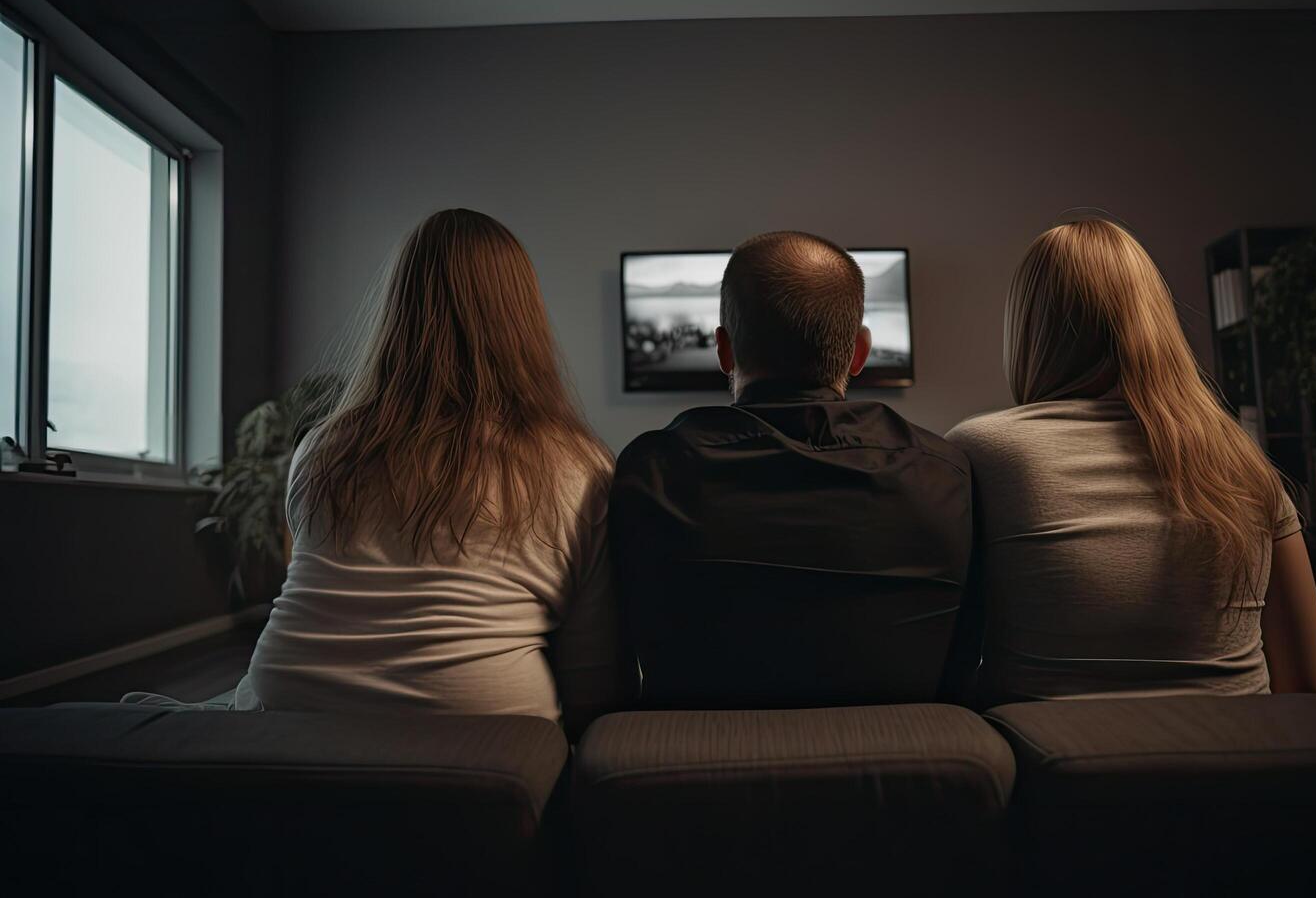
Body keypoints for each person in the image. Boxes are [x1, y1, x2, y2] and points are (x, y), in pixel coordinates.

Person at [213, 209, 618, 733]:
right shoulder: (579, 465)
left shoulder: (322, 447)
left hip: (288, 726)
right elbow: (595, 684)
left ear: (398, 313)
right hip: (485, 749)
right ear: (523, 318)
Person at [946, 217, 1316, 703]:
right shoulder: (1239, 454)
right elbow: (1310, 685)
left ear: (1029, 331)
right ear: (1153, 318)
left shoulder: (980, 450)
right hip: (1240, 763)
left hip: (1065, 764)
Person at [611, 231, 979, 708]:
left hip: (698, 768)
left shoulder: (650, 473)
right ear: (859, 352)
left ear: (724, 351)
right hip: (909, 765)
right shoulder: (945, 474)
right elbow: (965, 659)